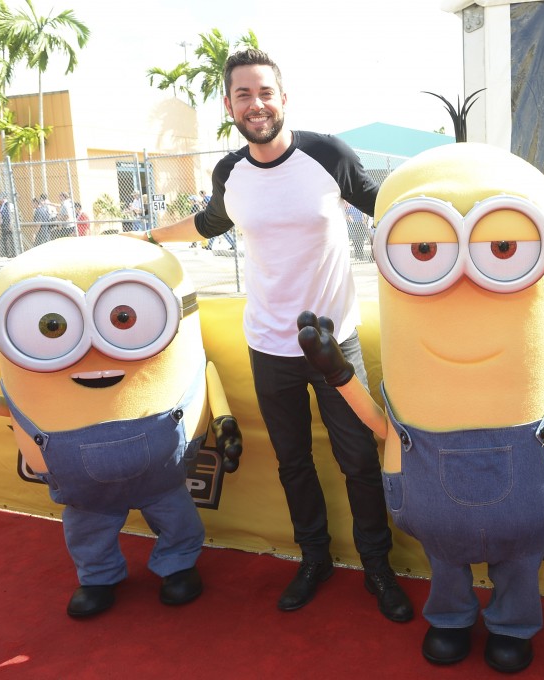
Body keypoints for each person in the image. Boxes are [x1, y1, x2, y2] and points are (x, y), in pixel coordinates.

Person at [124, 48, 412, 623]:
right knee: (292, 462)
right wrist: (148, 240)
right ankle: (315, 559)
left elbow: (392, 207)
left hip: (336, 346)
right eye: (243, 95)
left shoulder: (327, 154)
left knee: (358, 459)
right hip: (269, 346)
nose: (256, 105)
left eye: (265, 93)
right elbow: (208, 224)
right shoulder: (229, 171)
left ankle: (377, 567)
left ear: (284, 98)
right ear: (229, 105)